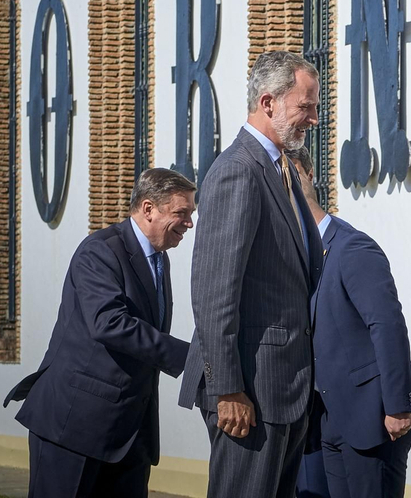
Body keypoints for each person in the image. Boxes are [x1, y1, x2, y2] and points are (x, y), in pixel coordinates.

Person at [180, 51, 325, 498]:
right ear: (268, 103)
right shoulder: (238, 172)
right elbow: (214, 293)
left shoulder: (281, 170)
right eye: (306, 107)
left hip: (285, 391)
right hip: (249, 394)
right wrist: (227, 389)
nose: (314, 119)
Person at [5, 167, 196, 498]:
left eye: (191, 214)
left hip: (130, 435)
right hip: (75, 429)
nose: (190, 224)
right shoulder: (100, 251)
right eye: (182, 213)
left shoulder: (159, 261)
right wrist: (190, 358)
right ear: (149, 209)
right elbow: (110, 324)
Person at [288, 148, 411, 498]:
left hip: (374, 419)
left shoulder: (352, 248)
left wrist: (399, 406)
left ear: (302, 174)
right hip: (328, 419)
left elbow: (388, 327)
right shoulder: (297, 255)